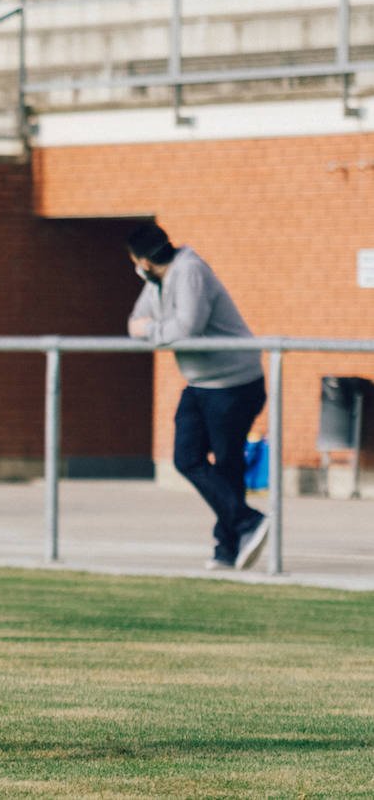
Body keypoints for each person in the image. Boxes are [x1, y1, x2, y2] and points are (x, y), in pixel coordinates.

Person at [126, 224, 270, 571]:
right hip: (200, 383)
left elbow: (187, 327)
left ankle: (229, 544)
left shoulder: (190, 271)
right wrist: (152, 329)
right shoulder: (154, 282)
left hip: (235, 382)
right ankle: (243, 525)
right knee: (186, 458)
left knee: (228, 463)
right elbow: (134, 322)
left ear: (142, 260)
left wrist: (151, 331)